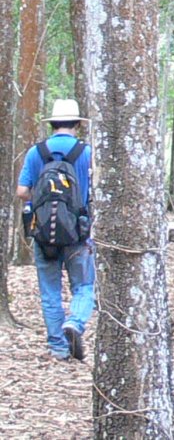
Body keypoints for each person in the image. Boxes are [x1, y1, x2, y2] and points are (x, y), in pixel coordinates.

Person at [16, 99, 94, 361]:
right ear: (77, 124)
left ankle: (58, 348)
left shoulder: (35, 152)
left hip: (43, 233)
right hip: (78, 233)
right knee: (84, 285)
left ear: (51, 124)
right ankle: (76, 322)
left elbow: (22, 192)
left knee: (50, 290)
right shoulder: (86, 152)